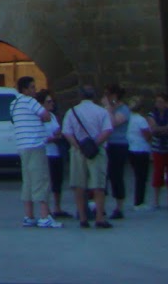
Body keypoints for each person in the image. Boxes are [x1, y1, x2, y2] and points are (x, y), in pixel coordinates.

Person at [11, 76, 59, 227]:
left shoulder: (13, 104)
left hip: (22, 146)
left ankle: (29, 215)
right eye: (32, 87)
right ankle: (44, 216)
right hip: (36, 145)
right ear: (25, 89)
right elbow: (46, 117)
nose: (35, 90)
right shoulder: (30, 101)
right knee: (41, 180)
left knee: (28, 182)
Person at [64, 86, 113, 228]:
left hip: (78, 150)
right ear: (94, 96)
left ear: (80, 96)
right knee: (98, 185)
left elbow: (67, 132)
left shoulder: (72, 112)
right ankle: (99, 217)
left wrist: (78, 146)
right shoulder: (101, 111)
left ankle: (83, 218)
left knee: (79, 185)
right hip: (97, 150)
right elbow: (107, 130)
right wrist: (95, 144)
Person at [147, 91, 168, 208]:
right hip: (157, 148)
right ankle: (156, 200)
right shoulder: (152, 114)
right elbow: (153, 129)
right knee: (158, 173)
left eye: (161, 102)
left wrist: (161, 129)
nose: (159, 104)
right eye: (157, 102)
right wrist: (166, 128)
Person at [102, 83, 131, 220]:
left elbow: (113, 122)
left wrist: (108, 107)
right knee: (103, 175)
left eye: (107, 94)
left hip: (119, 144)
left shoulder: (124, 109)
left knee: (116, 175)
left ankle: (119, 207)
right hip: (106, 144)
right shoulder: (108, 109)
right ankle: (100, 206)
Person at [39, 91, 68, 216]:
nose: (52, 104)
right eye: (49, 101)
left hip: (57, 152)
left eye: (52, 101)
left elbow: (58, 131)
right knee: (47, 182)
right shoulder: (39, 118)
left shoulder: (52, 116)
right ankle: (47, 209)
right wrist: (52, 138)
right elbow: (40, 137)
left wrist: (59, 135)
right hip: (47, 153)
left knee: (58, 181)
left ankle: (57, 207)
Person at [125, 98, 152, 211]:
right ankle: (139, 202)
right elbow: (147, 135)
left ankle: (138, 200)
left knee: (138, 176)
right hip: (141, 149)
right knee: (142, 177)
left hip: (132, 149)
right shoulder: (141, 120)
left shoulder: (129, 118)